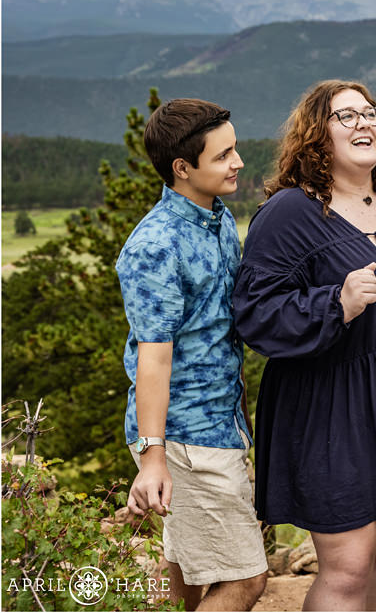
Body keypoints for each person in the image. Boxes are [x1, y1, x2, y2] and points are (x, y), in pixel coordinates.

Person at [232, 80, 376, 611]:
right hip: (332, 407)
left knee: (375, 555)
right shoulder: (291, 213)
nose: (364, 123)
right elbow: (255, 312)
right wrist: (334, 303)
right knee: (349, 567)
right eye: (346, 116)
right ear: (318, 135)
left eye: (370, 112)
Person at [116, 98, 268, 611]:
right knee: (246, 579)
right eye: (223, 155)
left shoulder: (215, 217)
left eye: (235, 149)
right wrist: (154, 457)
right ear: (183, 169)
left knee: (185, 576)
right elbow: (153, 358)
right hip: (186, 437)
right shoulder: (155, 245)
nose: (238, 162)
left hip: (216, 425)